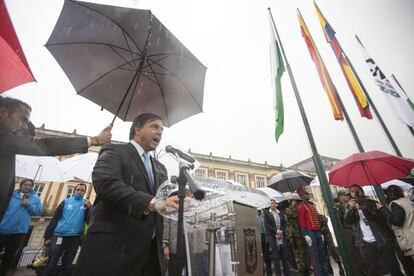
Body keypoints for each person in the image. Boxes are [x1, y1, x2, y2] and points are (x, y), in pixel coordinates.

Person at [74, 113, 179, 276]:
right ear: (137, 130)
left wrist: (182, 198)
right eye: (154, 126)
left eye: (162, 129)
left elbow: (164, 199)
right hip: (113, 251)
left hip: (150, 255)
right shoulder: (114, 150)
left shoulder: (160, 167)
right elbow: (107, 184)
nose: (159, 132)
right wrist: (151, 203)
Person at [0, 96, 112, 220]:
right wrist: (94, 140)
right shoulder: (4, 139)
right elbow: (44, 145)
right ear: (2, 113)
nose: (26, 126)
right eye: (23, 119)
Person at [344, 184, 403, 276]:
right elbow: (348, 221)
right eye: (352, 191)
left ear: (361, 192)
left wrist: (362, 208)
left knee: (393, 266)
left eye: (357, 190)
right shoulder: (350, 207)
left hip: (382, 238)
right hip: (365, 242)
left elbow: (380, 218)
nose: (355, 192)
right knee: (372, 268)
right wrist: (351, 209)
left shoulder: (371, 202)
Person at [41, 183, 91, 276]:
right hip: (59, 236)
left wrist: (90, 208)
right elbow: (55, 218)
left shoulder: (86, 204)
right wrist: (47, 236)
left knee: (67, 266)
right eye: (78, 189)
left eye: (82, 190)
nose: (80, 191)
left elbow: (90, 220)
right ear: (74, 190)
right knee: (51, 263)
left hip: (75, 238)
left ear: (84, 192)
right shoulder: (65, 201)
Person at [0, 178, 41, 276]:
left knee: (9, 255)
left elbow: (37, 211)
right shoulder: (11, 196)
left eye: (30, 185)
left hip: (20, 231)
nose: (28, 187)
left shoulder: (35, 199)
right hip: (4, 228)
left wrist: (29, 204)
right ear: (21, 185)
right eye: (25, 184)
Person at [377, 185, 414, 275]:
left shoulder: (395, 204)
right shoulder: (407, 201)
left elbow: (397, 221)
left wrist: (382, 209)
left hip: (410, 240)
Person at [296, 185, 329, 276]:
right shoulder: (301, 206)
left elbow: (317, 219)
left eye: (307, 193)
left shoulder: (311, 205)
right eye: (305, 194)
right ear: (302, 196)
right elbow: (301, 221)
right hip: (310, 232)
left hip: (317, 231)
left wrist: (320, 232)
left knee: (322, 255)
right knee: (315, 256)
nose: (307, 195)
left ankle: (325, 273)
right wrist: (305, 234)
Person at [335, 190, 367, 276]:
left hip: (356, 230)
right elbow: (340, 219)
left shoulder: (352, 204)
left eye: (348, 195)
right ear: (340, 197)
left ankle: (364, 271)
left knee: (361, 253)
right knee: (353, 254)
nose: (347, 197)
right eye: (345, 196)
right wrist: (347, 207)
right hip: (347, 232)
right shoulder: (338, 206)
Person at [264, 199, 290, 276]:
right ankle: (278, 273)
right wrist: (276, 231)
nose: (273, 204)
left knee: (285, 255)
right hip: (272, 236)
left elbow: (284, 223)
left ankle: (287, 273)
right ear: (269, 205)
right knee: (276, 256)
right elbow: (267, 225)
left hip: (282, 236)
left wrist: (281, 230)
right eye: (271, 203)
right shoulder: (267, 214)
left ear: (276, 204)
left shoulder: (281, 213)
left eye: (274, 203)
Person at [285, 199, 310, 276]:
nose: (296, 203)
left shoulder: (299, 209)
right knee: (298, 255)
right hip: (294, 236)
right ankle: (301, 271)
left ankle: (307, 270)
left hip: (302, 234)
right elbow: (295, 215)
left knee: (305, 254)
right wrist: (296, 208)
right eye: (295, 201)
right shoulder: (288, 210)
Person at [257, 208, 272, 276]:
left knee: (266, 256)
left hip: (264, 237)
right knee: (259, 256)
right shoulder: (254, 216)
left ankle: (269, 272)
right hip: (257, 238)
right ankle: (261, 271)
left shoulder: (265, 215)